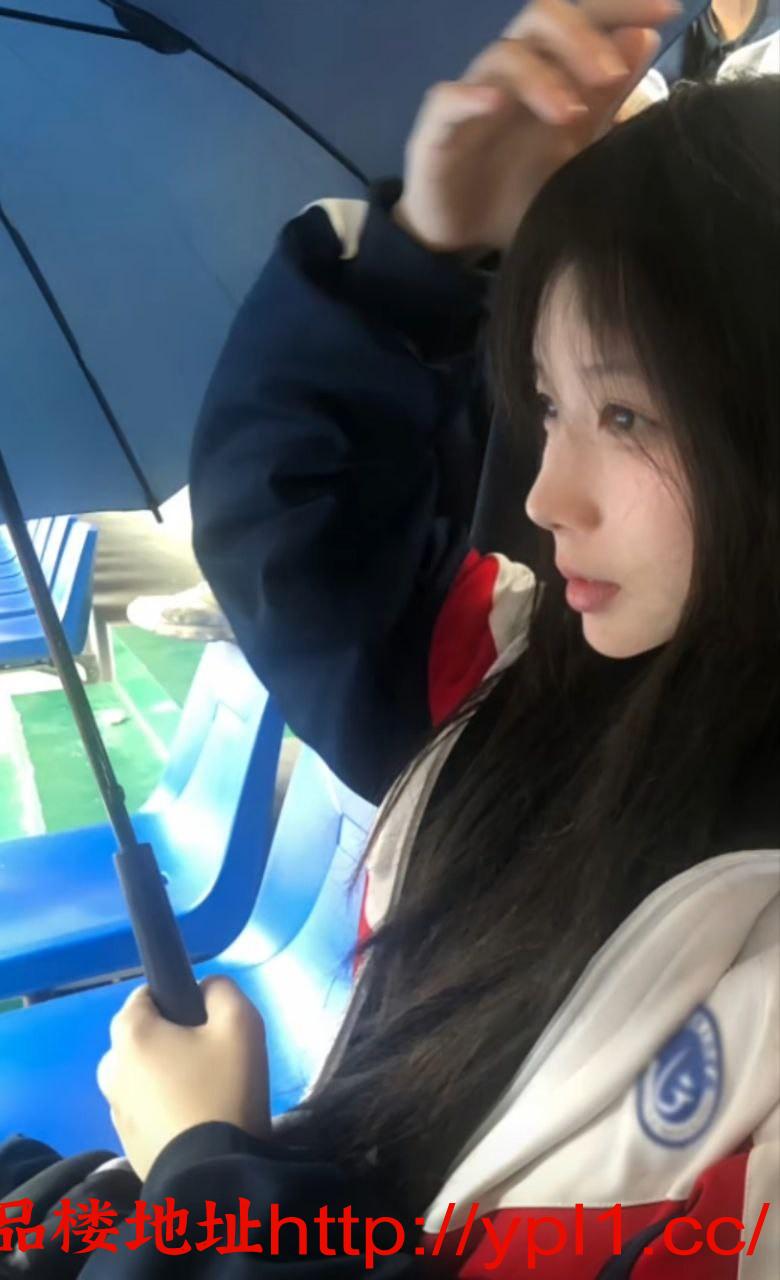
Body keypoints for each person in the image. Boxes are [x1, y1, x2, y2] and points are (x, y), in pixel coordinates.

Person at [2, 1, 778, 1275]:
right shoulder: (531, 685)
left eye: (628, 415)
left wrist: (205, 1172)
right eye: (546, 403)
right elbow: (299, 528)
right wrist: (418, 254)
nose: (545, 496)